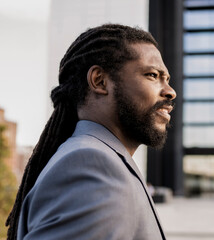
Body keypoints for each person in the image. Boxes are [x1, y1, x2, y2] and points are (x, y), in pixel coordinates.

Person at [6, 23, 176, 240]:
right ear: (99, 81)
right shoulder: (93, 165)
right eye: (152, 75)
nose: (170, 92)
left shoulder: (105, 161)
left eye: (167, 79)